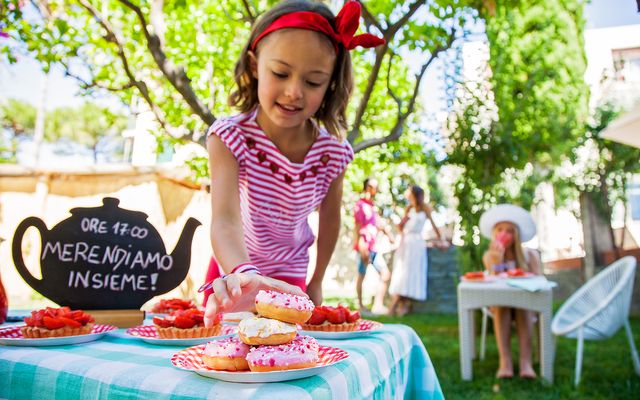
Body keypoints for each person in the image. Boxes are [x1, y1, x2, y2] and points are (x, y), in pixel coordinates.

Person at [201, 0, 386, 327]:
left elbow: (330, 222)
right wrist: (245, 275)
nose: (294, 92)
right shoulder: (229, 138)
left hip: (290, 279)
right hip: (235, 273)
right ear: (255, 65)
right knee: (224, 362)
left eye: (313, 82)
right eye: (281, 73)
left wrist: (316, 280)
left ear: (330, 84)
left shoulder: (333, 154)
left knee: (289, 361)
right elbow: (225, 221)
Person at [480, 204, 541, 379]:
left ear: (516, 235)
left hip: (526, 304)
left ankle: (525, 363)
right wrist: (497, 259)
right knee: (502, 308)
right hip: (500, 304)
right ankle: (505, 362)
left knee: (522, 307)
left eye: (510, 231)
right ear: (494, 233)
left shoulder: (530, 256)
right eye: (500, 230)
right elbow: (493, 279)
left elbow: (539, 282)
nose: (505, 234)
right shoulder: (489, 256)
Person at [388, 185, 441, 316]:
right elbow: (401, 228)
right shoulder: (408, 209)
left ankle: (401, 305)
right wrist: (401, 225)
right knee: (401, 272)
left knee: (412, 273)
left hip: (417, 244)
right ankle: (399, 305)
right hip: (405, 242)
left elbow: (435, 226)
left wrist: (440, 240)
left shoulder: (425, 208)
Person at [354, 177, 393, 314]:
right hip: (364, 246)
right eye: (371, 186)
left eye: (376, 186)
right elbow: (358, 228)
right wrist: (361, 247)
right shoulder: (360, 205)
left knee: (385, 274)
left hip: (374, 247)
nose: (374, 189)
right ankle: (360, 306)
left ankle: (378, 305)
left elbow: (378, 225)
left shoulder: (372, 206)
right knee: (361, 275)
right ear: (366, 187)